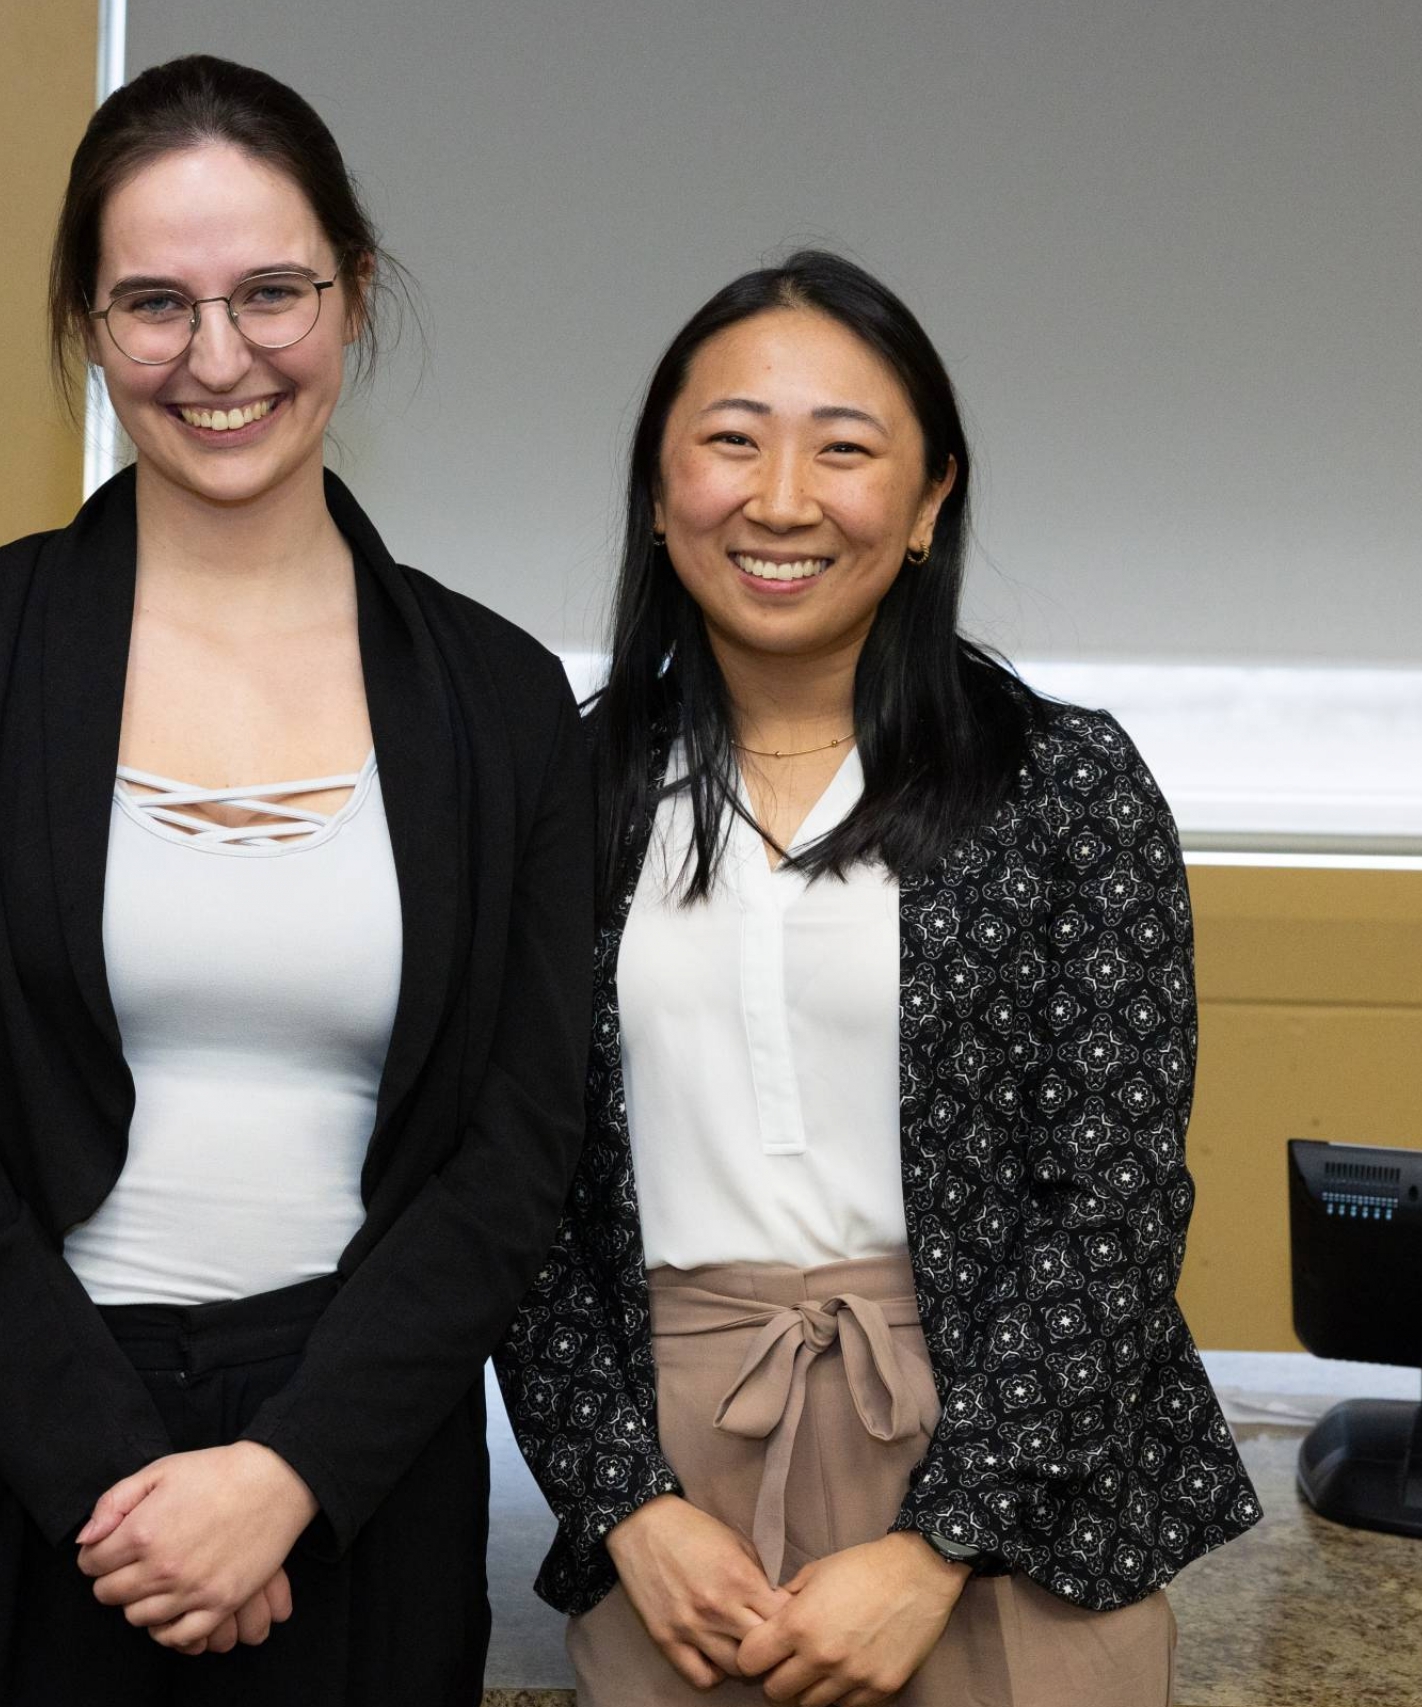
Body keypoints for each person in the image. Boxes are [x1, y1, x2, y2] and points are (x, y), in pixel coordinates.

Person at [0, 53, 598, 1706]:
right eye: (154, 304)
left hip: (355, 1486)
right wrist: (121, 1482)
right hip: (4, 1463)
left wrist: (287, 1478)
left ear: (356, 295)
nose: (218, 357)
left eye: (271, 294)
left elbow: (518, 1153)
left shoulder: (503, 702)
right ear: (88, 326)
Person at [498, 250, 1261, 1706]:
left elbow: (1115, 1198)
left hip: (1024, 1483)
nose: (780, 499)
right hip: (679, 1508)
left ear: (926, 505)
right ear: (660, 498)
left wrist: (939, 1543)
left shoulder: (1062, 782)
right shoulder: (557, 791)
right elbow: (507, 1189)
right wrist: (622, 1503)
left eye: (844, 450)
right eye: (731, 441)